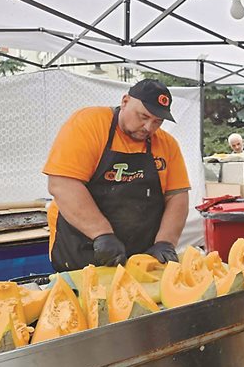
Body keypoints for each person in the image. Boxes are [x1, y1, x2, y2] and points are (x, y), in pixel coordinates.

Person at [43, 79, 191, 272]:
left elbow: (177, 196)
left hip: (138, 257)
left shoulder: (167, 144)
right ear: (125, 101)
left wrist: (165, 242)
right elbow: (62, 184)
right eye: (143, 116)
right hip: (81, 250)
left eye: (157, 121)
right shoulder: (89, 124)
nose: (148, 127)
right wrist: (101, 234)